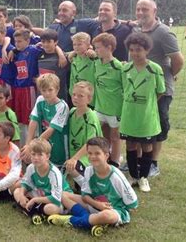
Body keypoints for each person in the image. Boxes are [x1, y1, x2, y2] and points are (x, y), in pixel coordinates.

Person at [134, 0, 184, 177]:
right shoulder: (137, 29)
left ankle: (154, 163)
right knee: (140, 123)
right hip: (140, 88)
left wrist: (169, 75)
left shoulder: (163, 32)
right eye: (138, 9)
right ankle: (139, 160)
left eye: (145, 9)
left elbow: (178, 60)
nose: (140, 12)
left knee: (158, 124)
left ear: (154, 10)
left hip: (161, 90)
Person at [48, 137, 138, 236]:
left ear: (106, 155)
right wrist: (97, 204)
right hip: (94, 205)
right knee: (63, 195)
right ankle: (89, 218)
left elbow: (133, 203)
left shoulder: (116, 176)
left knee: (107, 215)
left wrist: (112, 209)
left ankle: (71, 220)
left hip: (112, 210)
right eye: (90, 153)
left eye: (97, 153)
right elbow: (85, 196)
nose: (92, 156)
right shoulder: (89, 170)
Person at [120, 33, 165, 192]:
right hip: (129, 116)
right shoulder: (125, 68)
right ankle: (133, 175)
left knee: (146, 146)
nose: (134, 53)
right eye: (131, 50)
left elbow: (160, 91)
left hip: (146, 117)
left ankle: (144, 177)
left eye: (138, 50)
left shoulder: (155, 69)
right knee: (130, 144)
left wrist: (148, 105)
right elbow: (124, 89)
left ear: (147, 50)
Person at [13, 138, 73, 221]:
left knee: (50, 208)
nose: (36, 158)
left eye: (40, 155)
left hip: (59, 200)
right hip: (42, 195)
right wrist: (22, 195)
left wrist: (34, 200)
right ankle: (36, 211)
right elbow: (25, 183)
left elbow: (55, 198)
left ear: (47, 156)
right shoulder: (31, 167)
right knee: (17, 191)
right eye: (33, 154)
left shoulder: (54, 173)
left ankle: (30, 210)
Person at [23, 74, 69, 168]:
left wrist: (33, 146)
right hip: (42, 142)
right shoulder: (40, 100)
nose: (47, 93)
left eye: (50, 90)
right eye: (43, 90)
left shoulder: (62, 106)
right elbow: (33, 121)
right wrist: (28, 144)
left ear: (57, 89)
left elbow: (51, 129)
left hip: (58, 145)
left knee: (57, 171)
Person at [92, 33, 123, 167]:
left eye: (98, 47)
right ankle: (105, 157)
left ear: (109, 47)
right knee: (101, 135)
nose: (96, 50)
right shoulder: (96, 62)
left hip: (114, 109)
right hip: (99, 107)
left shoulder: (118, 66)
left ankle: (115, 162)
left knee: (115, 137)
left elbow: (125, 87)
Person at [65, 82, 102, 186]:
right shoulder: (72, 112)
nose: (76, 98)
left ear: (89, 99)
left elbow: (90, 144)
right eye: (74, 94)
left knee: (72, 167)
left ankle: (89, 188)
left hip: (88, 156)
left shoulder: (91, 117)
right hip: (74, 154)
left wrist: (74, 159)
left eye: (81, 96)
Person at [10, 29, 41, 143]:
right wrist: (13, 49)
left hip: (29, 89)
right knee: (20, 119)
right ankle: (22, 145)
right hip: (18, 88)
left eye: (20, 41)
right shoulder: (16, 53)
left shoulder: (32, 50)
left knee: (30, 117)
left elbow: (44, 44)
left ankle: (32, 144)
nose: (17, 44)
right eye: (16, 41)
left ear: (28, 41)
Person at [37, 29, 70, 102]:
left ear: (56, 42)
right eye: (43, 42)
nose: (45, 44)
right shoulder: (38, 53)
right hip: (42, 97)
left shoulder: (63, 57)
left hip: (59, 97)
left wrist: (61, 54)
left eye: (49, 42)